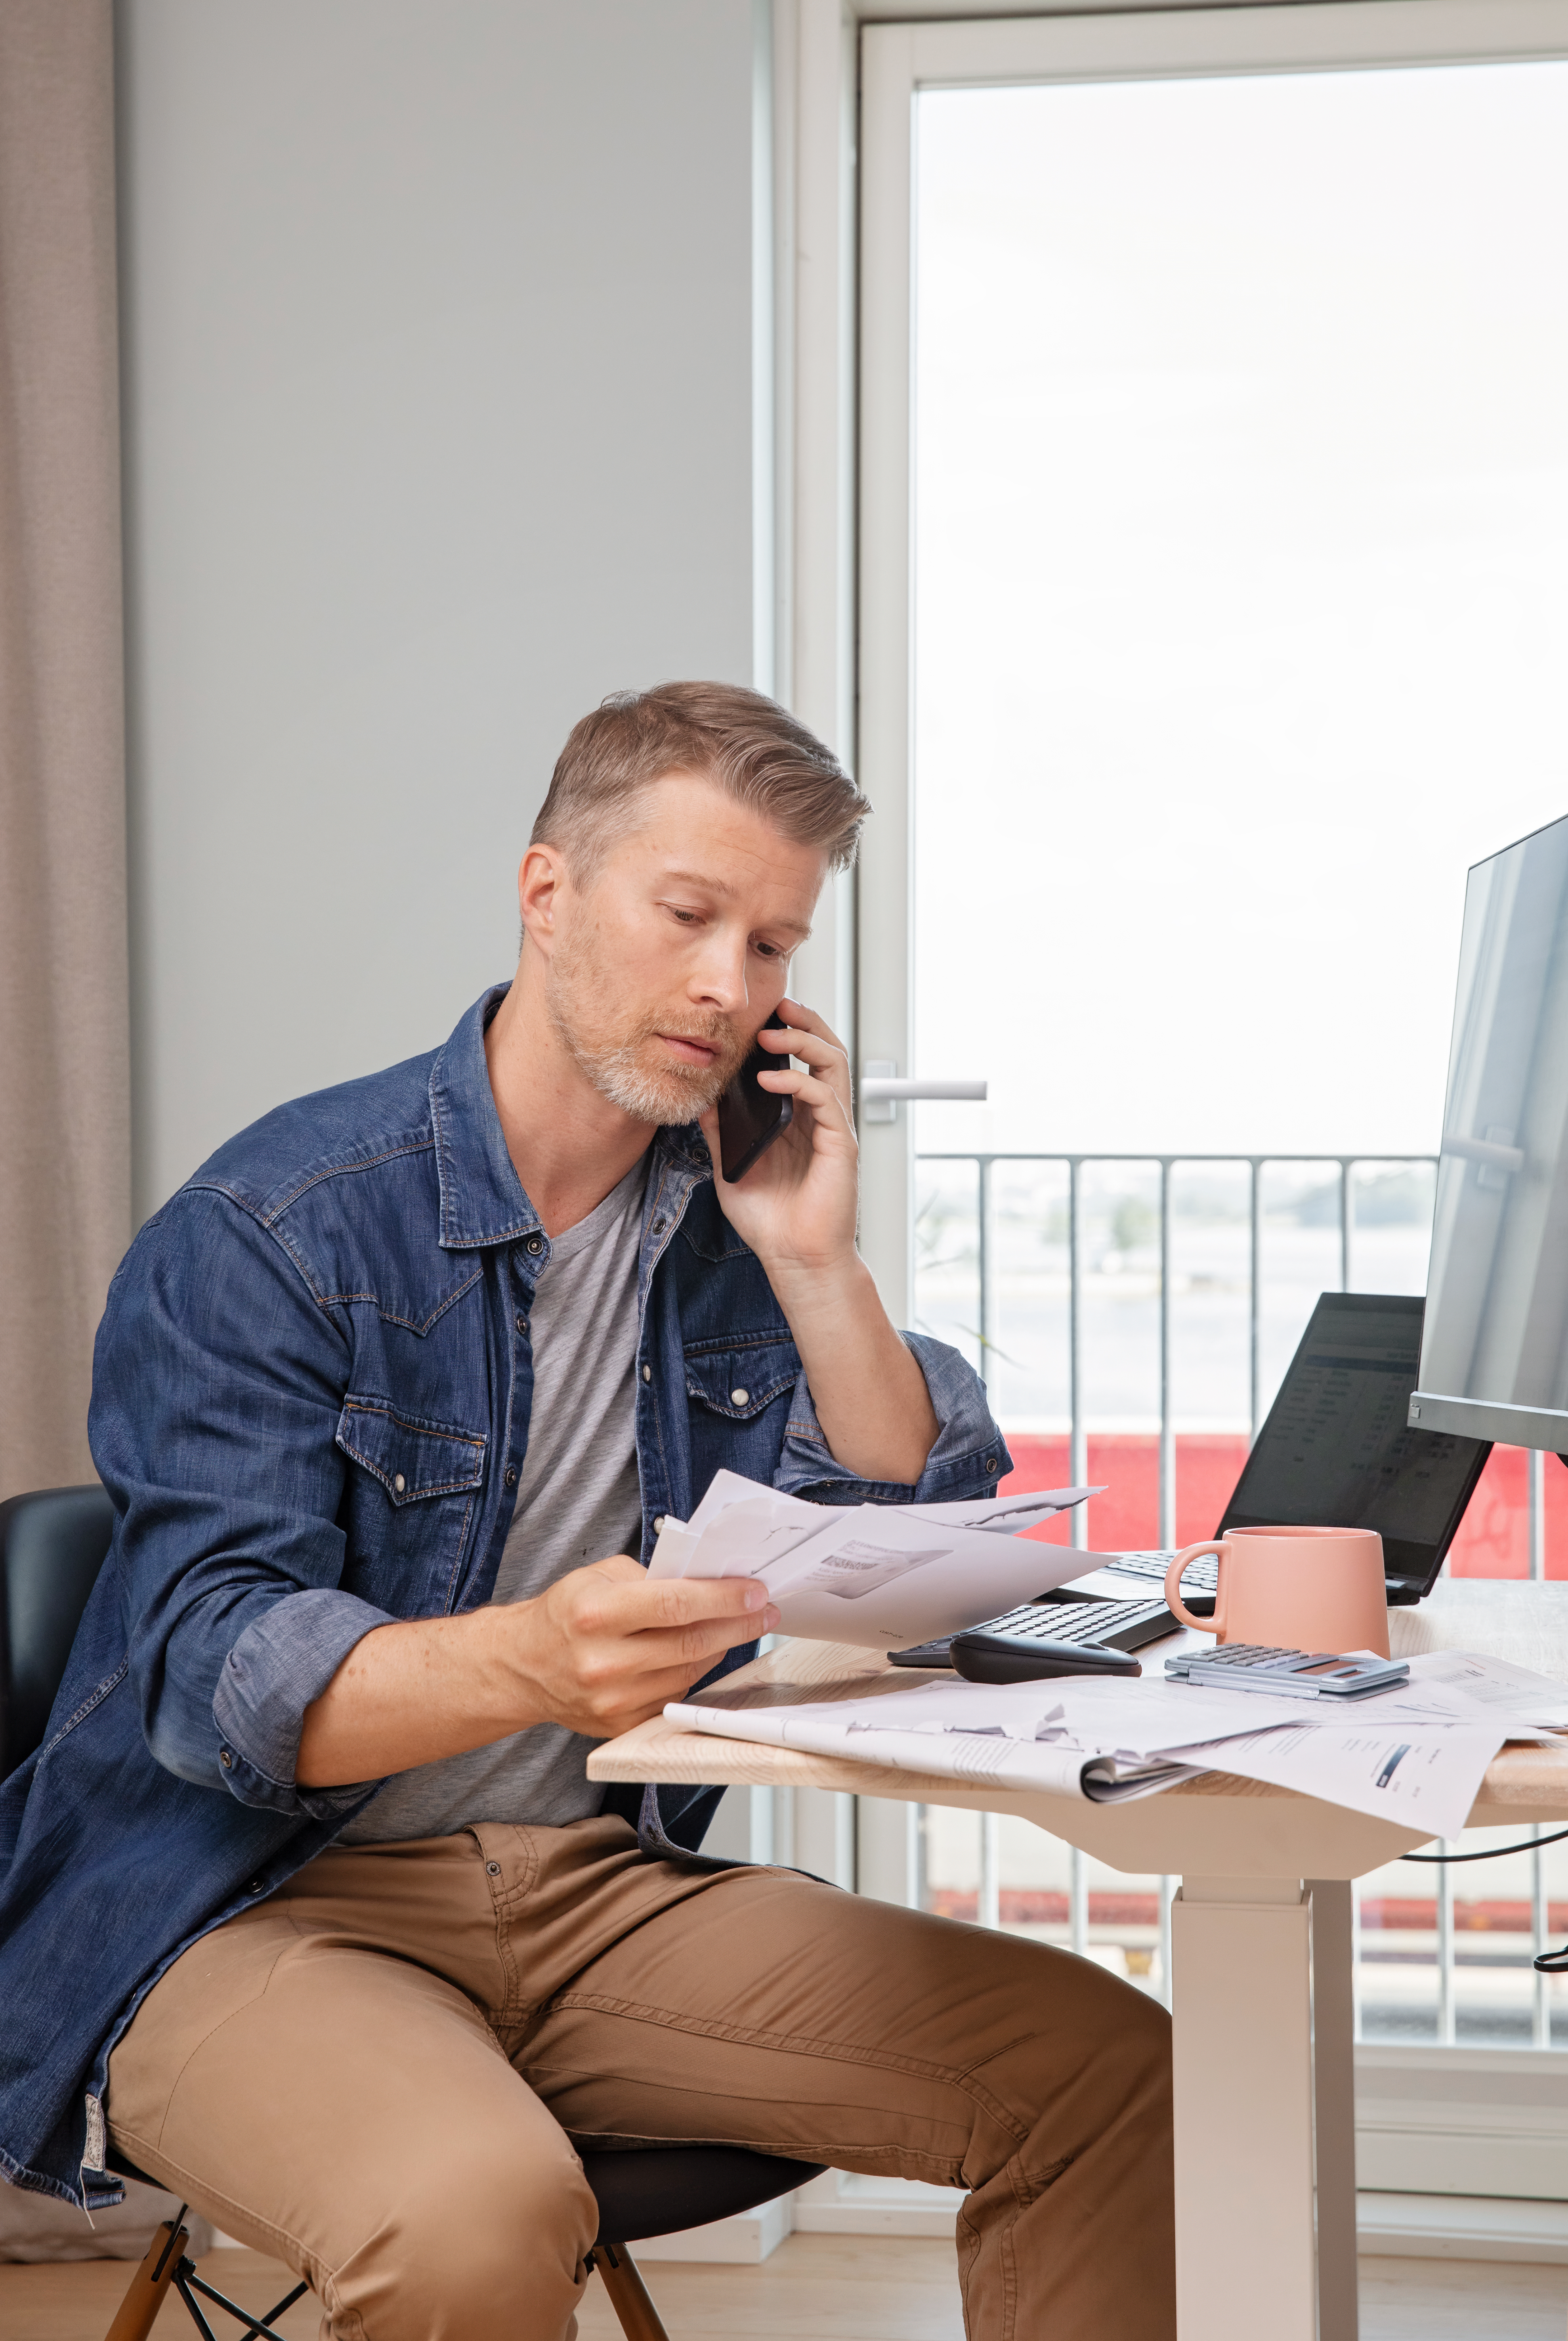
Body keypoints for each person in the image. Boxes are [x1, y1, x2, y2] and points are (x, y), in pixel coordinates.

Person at [0, 683, 1174, 2339]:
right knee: (481, 2206)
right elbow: (220, 1683)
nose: (727, 985)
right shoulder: (276, 1227)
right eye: (688, 914)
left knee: (1108, 2068)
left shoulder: (726, 1228)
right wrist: (534, 1662)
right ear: (548, 892)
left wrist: (818, 1259)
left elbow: (931, 1521)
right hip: (245, 1908)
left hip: (588, 1887)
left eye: (772, 944)